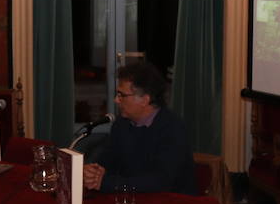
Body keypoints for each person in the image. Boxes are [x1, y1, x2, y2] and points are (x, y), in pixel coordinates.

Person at [83, 63, 198, 195]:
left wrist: (105, 183)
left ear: (144, 100)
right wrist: (92, 171)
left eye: (121, 95)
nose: (116, 100)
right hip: (133, 201)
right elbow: (107, 162)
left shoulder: (173, 128)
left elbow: (160, 182)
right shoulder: (121, 125)